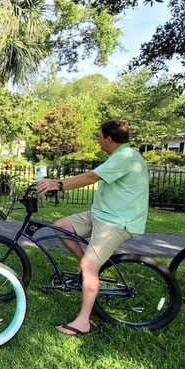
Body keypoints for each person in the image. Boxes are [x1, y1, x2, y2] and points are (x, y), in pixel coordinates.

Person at [36, 120, 149, 337]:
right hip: (100, 215)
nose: (97, 139)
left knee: (90, 266)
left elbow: (91, 177)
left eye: (99, 136)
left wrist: (57, 184)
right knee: (61, 227)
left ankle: (82, 321)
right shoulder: (120, 156)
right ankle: (86, 268)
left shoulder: (126, 157)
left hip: (117, 222)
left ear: (108, 139)